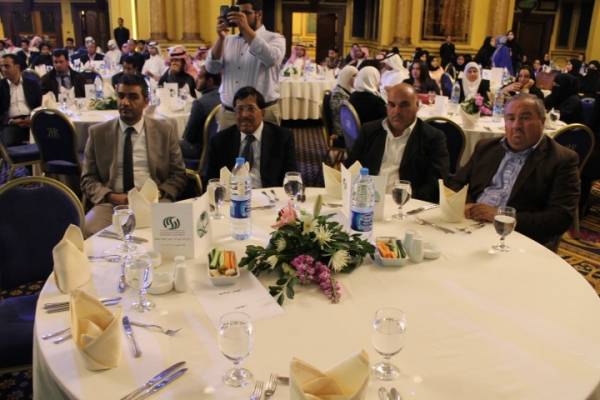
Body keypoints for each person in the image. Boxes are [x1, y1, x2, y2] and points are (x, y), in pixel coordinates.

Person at [446, 94, 580, 248]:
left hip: (517, 238)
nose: (516, 125)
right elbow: (456, 183)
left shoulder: (561, 159)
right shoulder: (486, 147)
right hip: (468, 226)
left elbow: (560, 218)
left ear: (542, 122)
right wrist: (467, 204)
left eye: (525, 118)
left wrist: (501, 216)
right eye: (510, 118)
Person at [81, 73, 186, 237]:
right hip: (112, 204)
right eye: (121, 96)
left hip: (154, 201)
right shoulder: (98, 133)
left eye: (133, 97)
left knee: (173, 234)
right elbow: (88, 179)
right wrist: (112, 197)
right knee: (88, 230)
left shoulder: (164, 131)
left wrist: (154, 194)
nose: (125, 102)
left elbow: (178, 174)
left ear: (146, 101)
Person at [345, 83, 449, 202]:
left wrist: (404, 201)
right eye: (392, 105)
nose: (397, 111)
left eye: (404, 105)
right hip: (368, 201)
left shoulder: (433, 138)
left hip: (407, 204)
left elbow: (436, 185)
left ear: (417, 106)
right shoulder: (369, 131)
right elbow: (350, 168)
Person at [206, 0, 285, 130]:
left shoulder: (275, 38)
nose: (241, 17)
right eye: (238, 12)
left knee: (265, 144)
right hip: (230, 114)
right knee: (226, 144)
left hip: (262, 112)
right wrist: (220, 38)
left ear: (259, 14)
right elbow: (212, 68)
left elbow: (271, 59)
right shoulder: (226, 40)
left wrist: (245, 28)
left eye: (246, 13)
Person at [206, 86, 297, 188]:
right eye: (239, 109)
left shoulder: (282, 138)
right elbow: (212, 181)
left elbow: (291, 177)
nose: (244, 115)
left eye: (251, 109)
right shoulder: (220, 141)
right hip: (233, 194)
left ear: (262, 112)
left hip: (268, 193)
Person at [179, 67, 222, 160]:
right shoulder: (224, 98)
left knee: (169, 144)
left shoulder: (200, 103)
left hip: (201, 151)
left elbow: (189, 137)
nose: (196, 80)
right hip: (219, 149)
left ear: (210, 81)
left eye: (200, 77)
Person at [0, 54, 42, 146]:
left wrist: (32, 117)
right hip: (11, 123)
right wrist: (10, 121)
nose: (3, 69)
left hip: (31, 120)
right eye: (1, 66)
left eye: (7, 66)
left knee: (50, 136)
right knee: (9, 142)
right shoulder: (1, 86)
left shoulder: (32, 84)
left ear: (17, 67)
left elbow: (40, 105)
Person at [329, 65, 358, 142]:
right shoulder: (338, 93)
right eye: (354, 76)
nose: (357, 78)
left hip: (347, 124)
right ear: (346, 77)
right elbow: (344, 113)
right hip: (342, 129)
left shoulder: (347, 89)